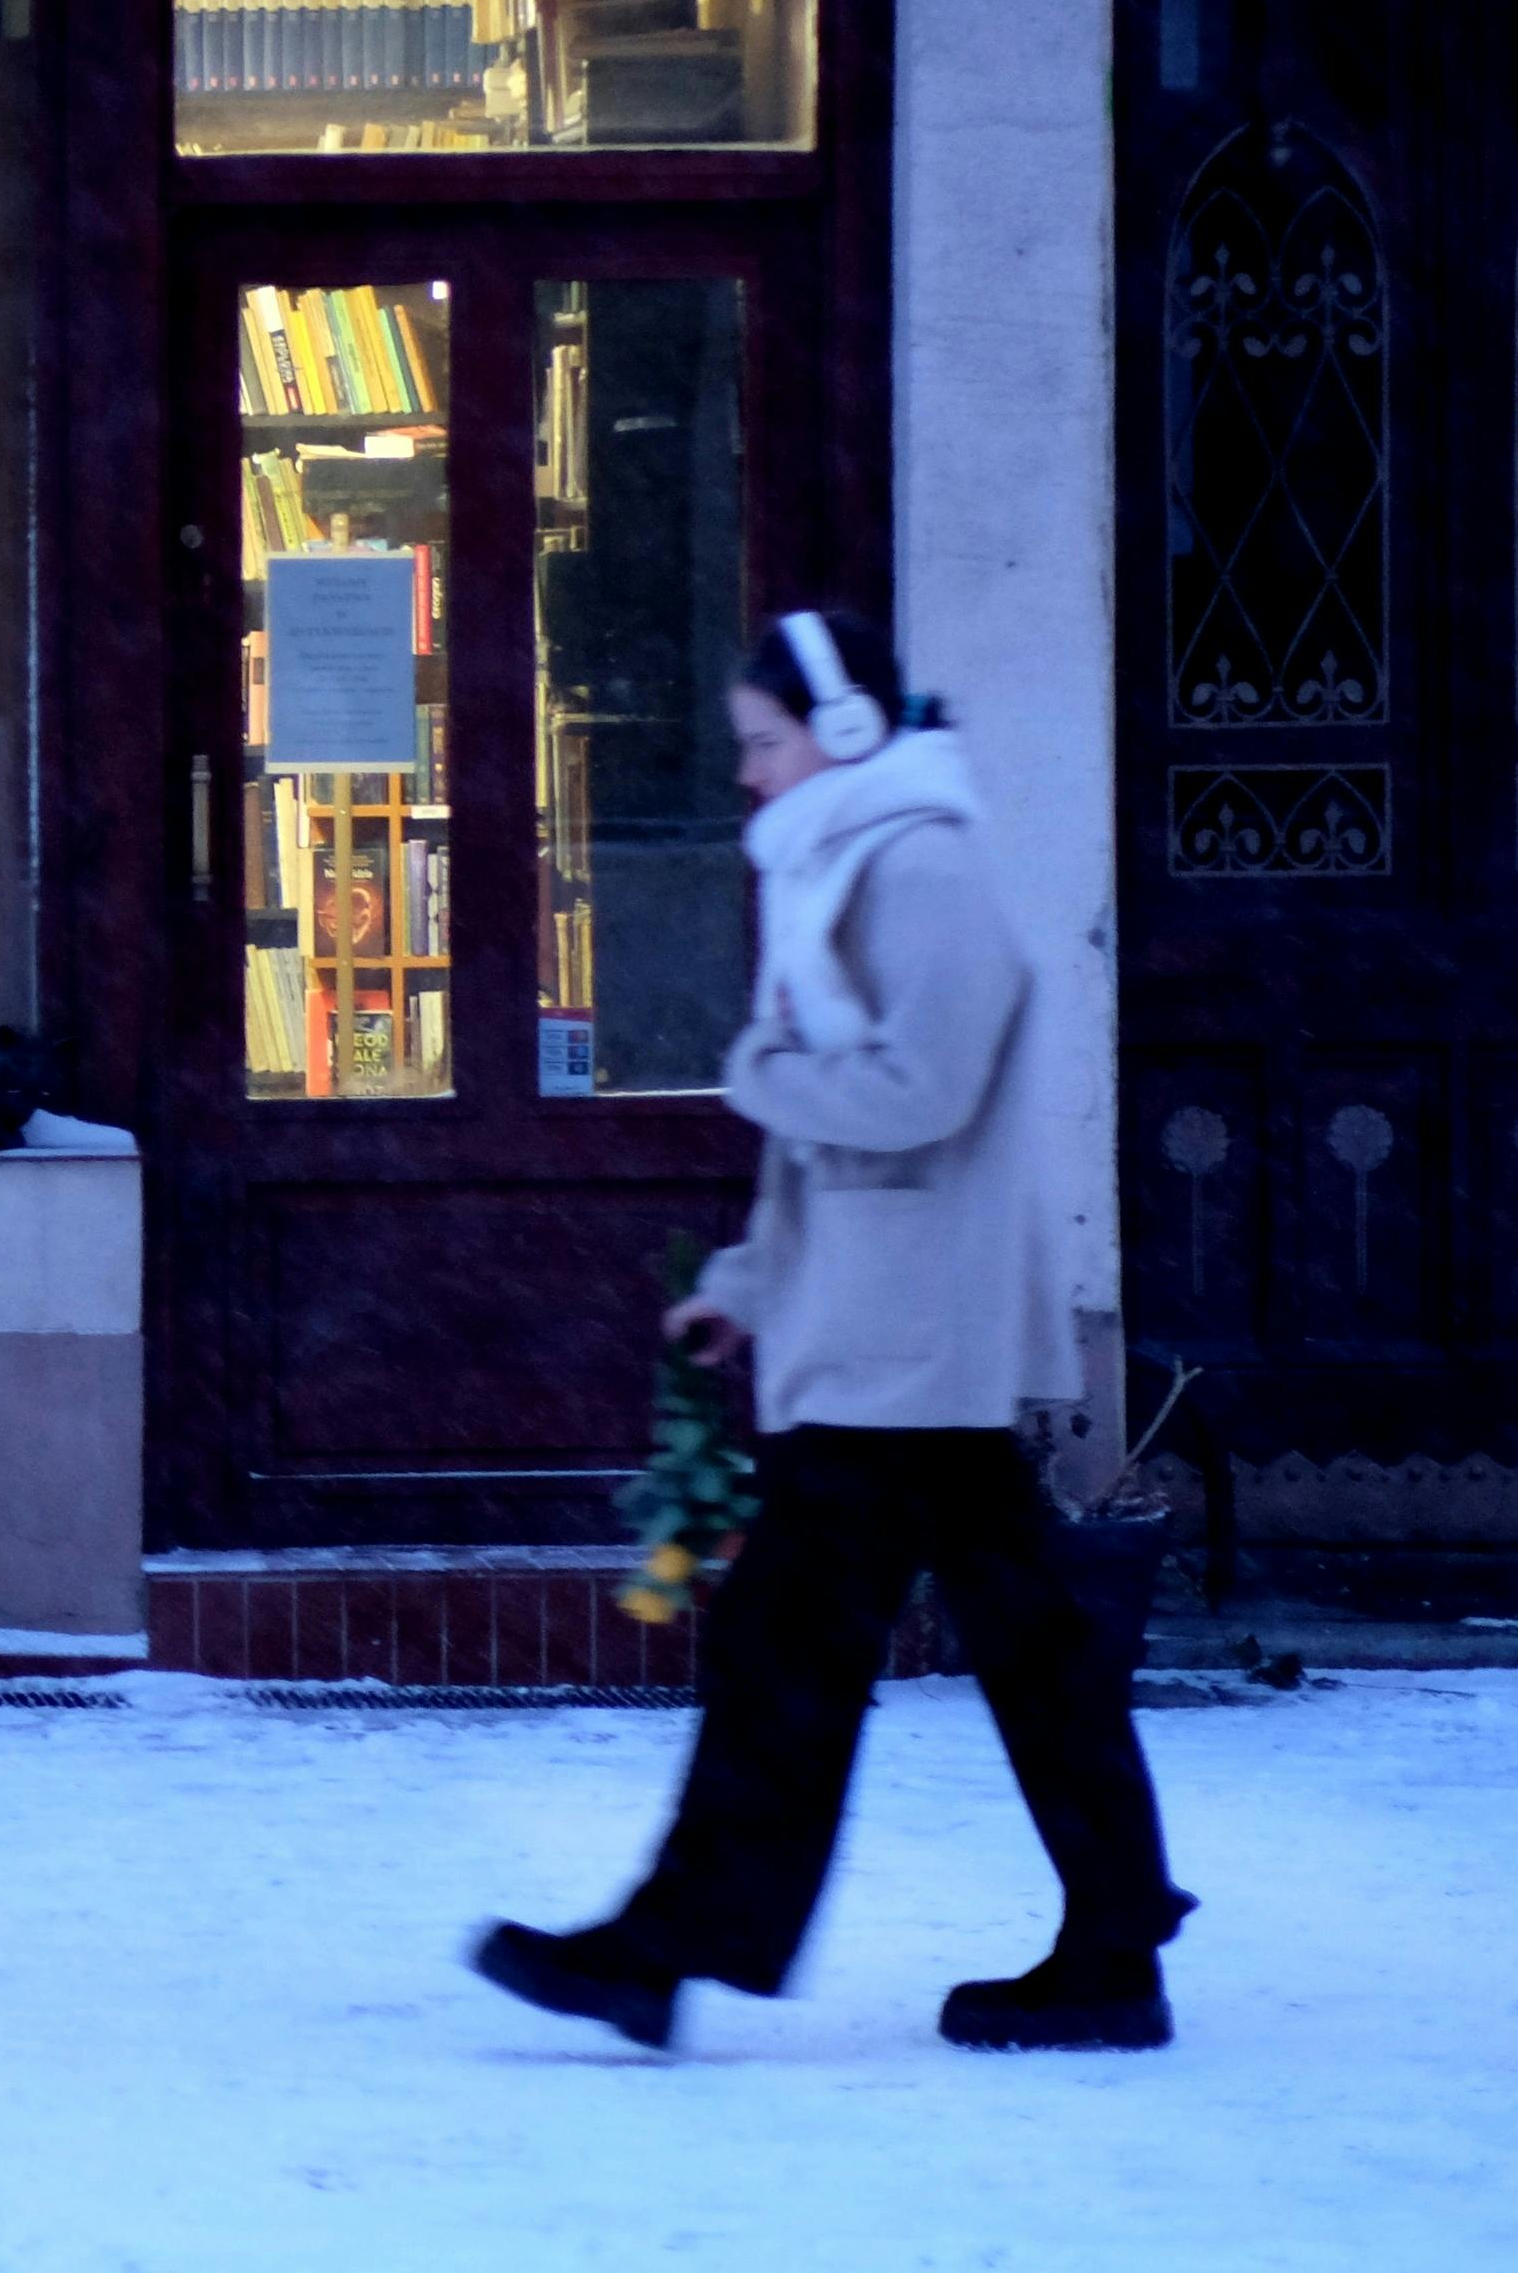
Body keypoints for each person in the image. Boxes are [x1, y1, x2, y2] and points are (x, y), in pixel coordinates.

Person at [472, 608, 1191, 2054]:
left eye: (761, 743)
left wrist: (759, 1074)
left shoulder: (919, 868)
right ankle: (1113, 1943)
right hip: (892, 1342)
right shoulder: (856, 865)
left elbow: (913, 1094)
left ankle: (667, 1947)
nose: (745, 775)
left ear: (848, 731)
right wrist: (745, 1288)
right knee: (1020, 1651)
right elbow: (842, 1144)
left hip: (903, 1351)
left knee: (789, 1658)